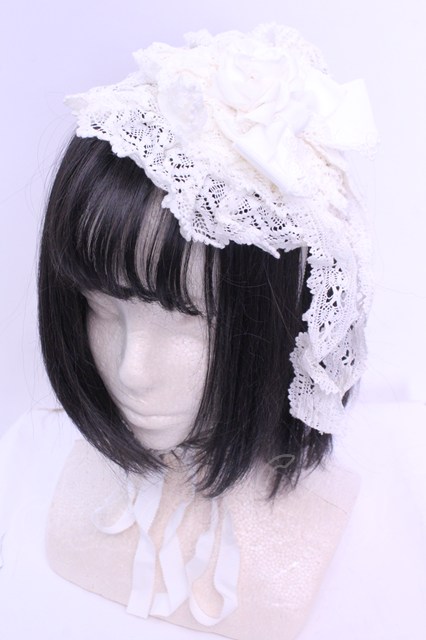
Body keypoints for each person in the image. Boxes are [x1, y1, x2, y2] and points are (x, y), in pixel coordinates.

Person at [5, 23, 424, 640]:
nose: (130, 369)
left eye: (183, 317)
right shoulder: (26, 464)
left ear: (288, 318)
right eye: (100, 306)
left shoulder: (393, 547)